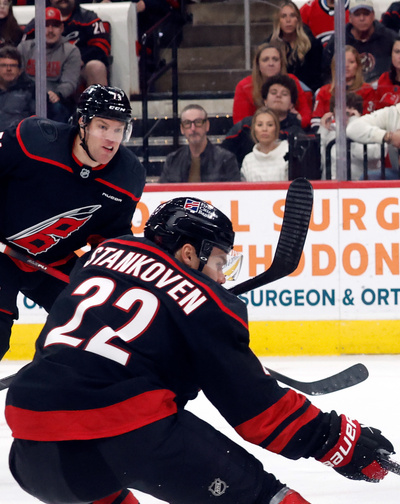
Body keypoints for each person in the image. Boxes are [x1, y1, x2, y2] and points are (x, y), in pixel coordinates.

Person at [5, 197, 400, 504]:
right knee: (258, 501)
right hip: (133, 438)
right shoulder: (206, 303)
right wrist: (337, 440)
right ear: (188, 252)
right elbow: (261, 415)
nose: (222, 273)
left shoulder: (102, 256)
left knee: (79, 452)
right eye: (219, 259)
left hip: (31, 453)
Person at [0, 85, 143, 361]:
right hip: (2, 252)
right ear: (82, 121)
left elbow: (112, 236)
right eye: (103, 126)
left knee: (99, 334)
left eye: (118, 129)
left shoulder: (128, 176)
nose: (111, 139)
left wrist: (109, 277)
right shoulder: (33, 140)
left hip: (53, 262)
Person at [223, 74, 308, 165]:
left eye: (284, 94)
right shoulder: (246, 126)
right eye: (273, 92)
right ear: (265, 101)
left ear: (291, 104)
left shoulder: (297, 134)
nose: (278, 95)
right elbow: (223, 155)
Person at [23, 0, 110, 87]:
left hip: (79, 67)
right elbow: (23, 51)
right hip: (48, 68)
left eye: (55, 25)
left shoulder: (89, 18)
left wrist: (75, 60)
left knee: (97, 67)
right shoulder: (38, 20)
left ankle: (97, 100)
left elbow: (102, 46)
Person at [18, 7, 81, 122]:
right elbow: (18, 75)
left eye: (55, 26)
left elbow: (70, 82)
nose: (50, 30)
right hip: (25, 94)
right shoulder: (24, 47)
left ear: (62, 28)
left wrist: (58, 94)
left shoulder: (71, 51)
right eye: (46, 25)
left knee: (57, 108)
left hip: (56, 100)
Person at [232, 42, 313, 129]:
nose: (271, 63)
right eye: (265, 60)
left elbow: (306, 116)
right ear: (258, 64)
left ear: (281, 63)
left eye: (275, 59)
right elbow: (240, 123)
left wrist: (299, 121)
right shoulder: (244, 86)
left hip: (289, 129)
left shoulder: (292, 81)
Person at [159, 104, 242, 183]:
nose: (193, 128)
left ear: (207, 125)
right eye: (187, 123)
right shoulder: (172, 160)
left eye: (198, 122)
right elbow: (161, 193)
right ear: (182, 129)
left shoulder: (226, 160)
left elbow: (235, 193)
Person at [323, 0, 398, 86]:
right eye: (357, 14)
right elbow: (326, 72)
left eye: (366, 14)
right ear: (350, 17)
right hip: (347, 92)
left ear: (373, 15)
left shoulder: (389, 38)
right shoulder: (338, 39)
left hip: (382, 91)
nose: (362, 18)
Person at [267, 0, 324, 92]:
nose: (288, 20)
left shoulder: (312, 45)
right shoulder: (269, 47)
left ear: (298, 19)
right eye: (283, 16)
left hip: (307, 93)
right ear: (278, 20)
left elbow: (317, 78)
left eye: (292, 15)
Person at [314, 46, 376, 128]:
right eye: (342, 61)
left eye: (351, 62)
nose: (346, 65)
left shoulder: (367, 90)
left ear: (357, 66)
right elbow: (315, 123)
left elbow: (370, 123)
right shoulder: (324, 91)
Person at [240, 107, 289, 182]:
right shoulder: (248, 160)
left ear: (276, 128)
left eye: (269, 125)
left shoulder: (288, 152)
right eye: (260, 125)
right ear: (254, 129)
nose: (264, 129)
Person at [0, 45, 34, 130]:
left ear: (20, 70)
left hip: (17, 139)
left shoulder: (31, 91)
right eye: (4, 65)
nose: (8, 69)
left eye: (13, 65)